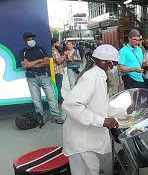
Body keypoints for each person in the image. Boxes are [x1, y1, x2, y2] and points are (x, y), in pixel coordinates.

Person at [62, 44, 120, 175]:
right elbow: (70, 105)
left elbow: (97, 103)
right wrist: (101, 121)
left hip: (86, 137)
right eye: (114, 64)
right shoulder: (91, 77)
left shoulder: (100, 76)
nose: (115, 67)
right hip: (80, 140)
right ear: (105, 62)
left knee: (92, 170)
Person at [20, 32, 64, 127]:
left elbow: (47, 62)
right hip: (31, 78)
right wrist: (39, 60)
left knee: (51, 97)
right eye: (28, 39)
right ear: (25, 41)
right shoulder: (23, 51)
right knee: (36, 100)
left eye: (32, 38)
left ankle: (56, 116)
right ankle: (41, 117)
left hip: (44, 76)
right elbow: (25, 65)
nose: (31, 41)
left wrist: (32, 64)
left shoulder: (41, 49)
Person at [51, 38, 65, 104]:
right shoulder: (54, 51)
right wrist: (64, 56)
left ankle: (59, 98)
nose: (59, 45)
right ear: (54, 44)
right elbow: (58, 62)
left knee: (58, 86)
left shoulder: (55, 50)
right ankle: (60, 99)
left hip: (56, 71)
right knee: (58, 87)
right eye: (58, 43)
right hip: (57, 71)